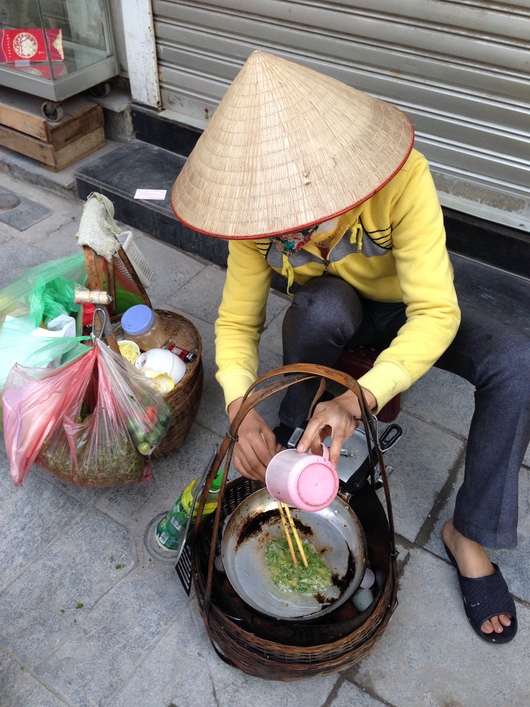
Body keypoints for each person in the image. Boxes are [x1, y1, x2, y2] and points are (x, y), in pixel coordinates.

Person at [172, 50, 530, 644]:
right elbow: (237, 323)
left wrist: (358, 399)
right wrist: (239, 407)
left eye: (305, 225)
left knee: (516, 361)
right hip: (336, 312)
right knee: (321, 306)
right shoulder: (258, 220)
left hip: (408, 308)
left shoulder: (402, 177)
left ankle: (468, 532)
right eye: (280, 228)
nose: (293, 238)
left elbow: (436, 312)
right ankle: (291, 450)